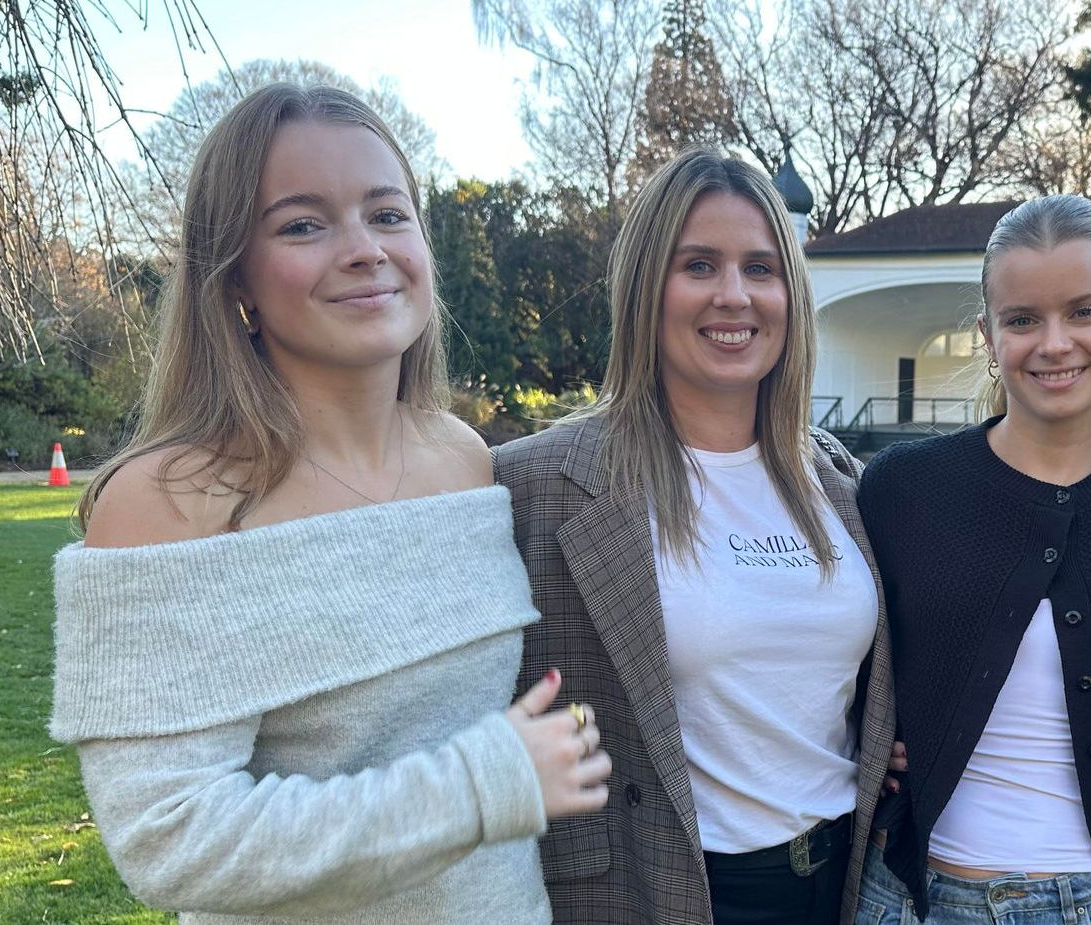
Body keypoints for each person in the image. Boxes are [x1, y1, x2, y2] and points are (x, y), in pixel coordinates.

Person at [54, 85, 610, 924]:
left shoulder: (463, 460)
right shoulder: (164, 501)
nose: (364, 250)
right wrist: (483, 784)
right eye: (303, 225)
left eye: (388, 214)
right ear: (234, 272)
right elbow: (172, 838)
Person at [492, 147, 892, 925]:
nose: (734, 296)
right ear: (648, 286)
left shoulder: (838, 478)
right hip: (665, 888)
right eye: (699, 265)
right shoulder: (534, 483)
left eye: (761, 268)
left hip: (843, 880)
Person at [854, 195, 1091, 925]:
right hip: (911, 894)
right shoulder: (901, 489)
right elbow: (841, 654)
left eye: (1085, 311)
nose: (1055, 343)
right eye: (1023, 320)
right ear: (988, 334)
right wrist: (875, 732)